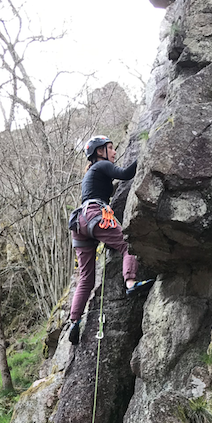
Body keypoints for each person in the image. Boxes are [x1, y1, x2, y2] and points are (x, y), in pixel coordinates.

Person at [68, 134, 154, 345]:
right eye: (111, 148)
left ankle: (74, 321)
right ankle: (131, 282)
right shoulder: (101, 166)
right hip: (96, 215)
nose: (114, 152)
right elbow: (125, 174)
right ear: (100, 152)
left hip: (79, 223)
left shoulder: (91, 174)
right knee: (128, 243)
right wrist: (148, 152)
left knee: (86, 278)